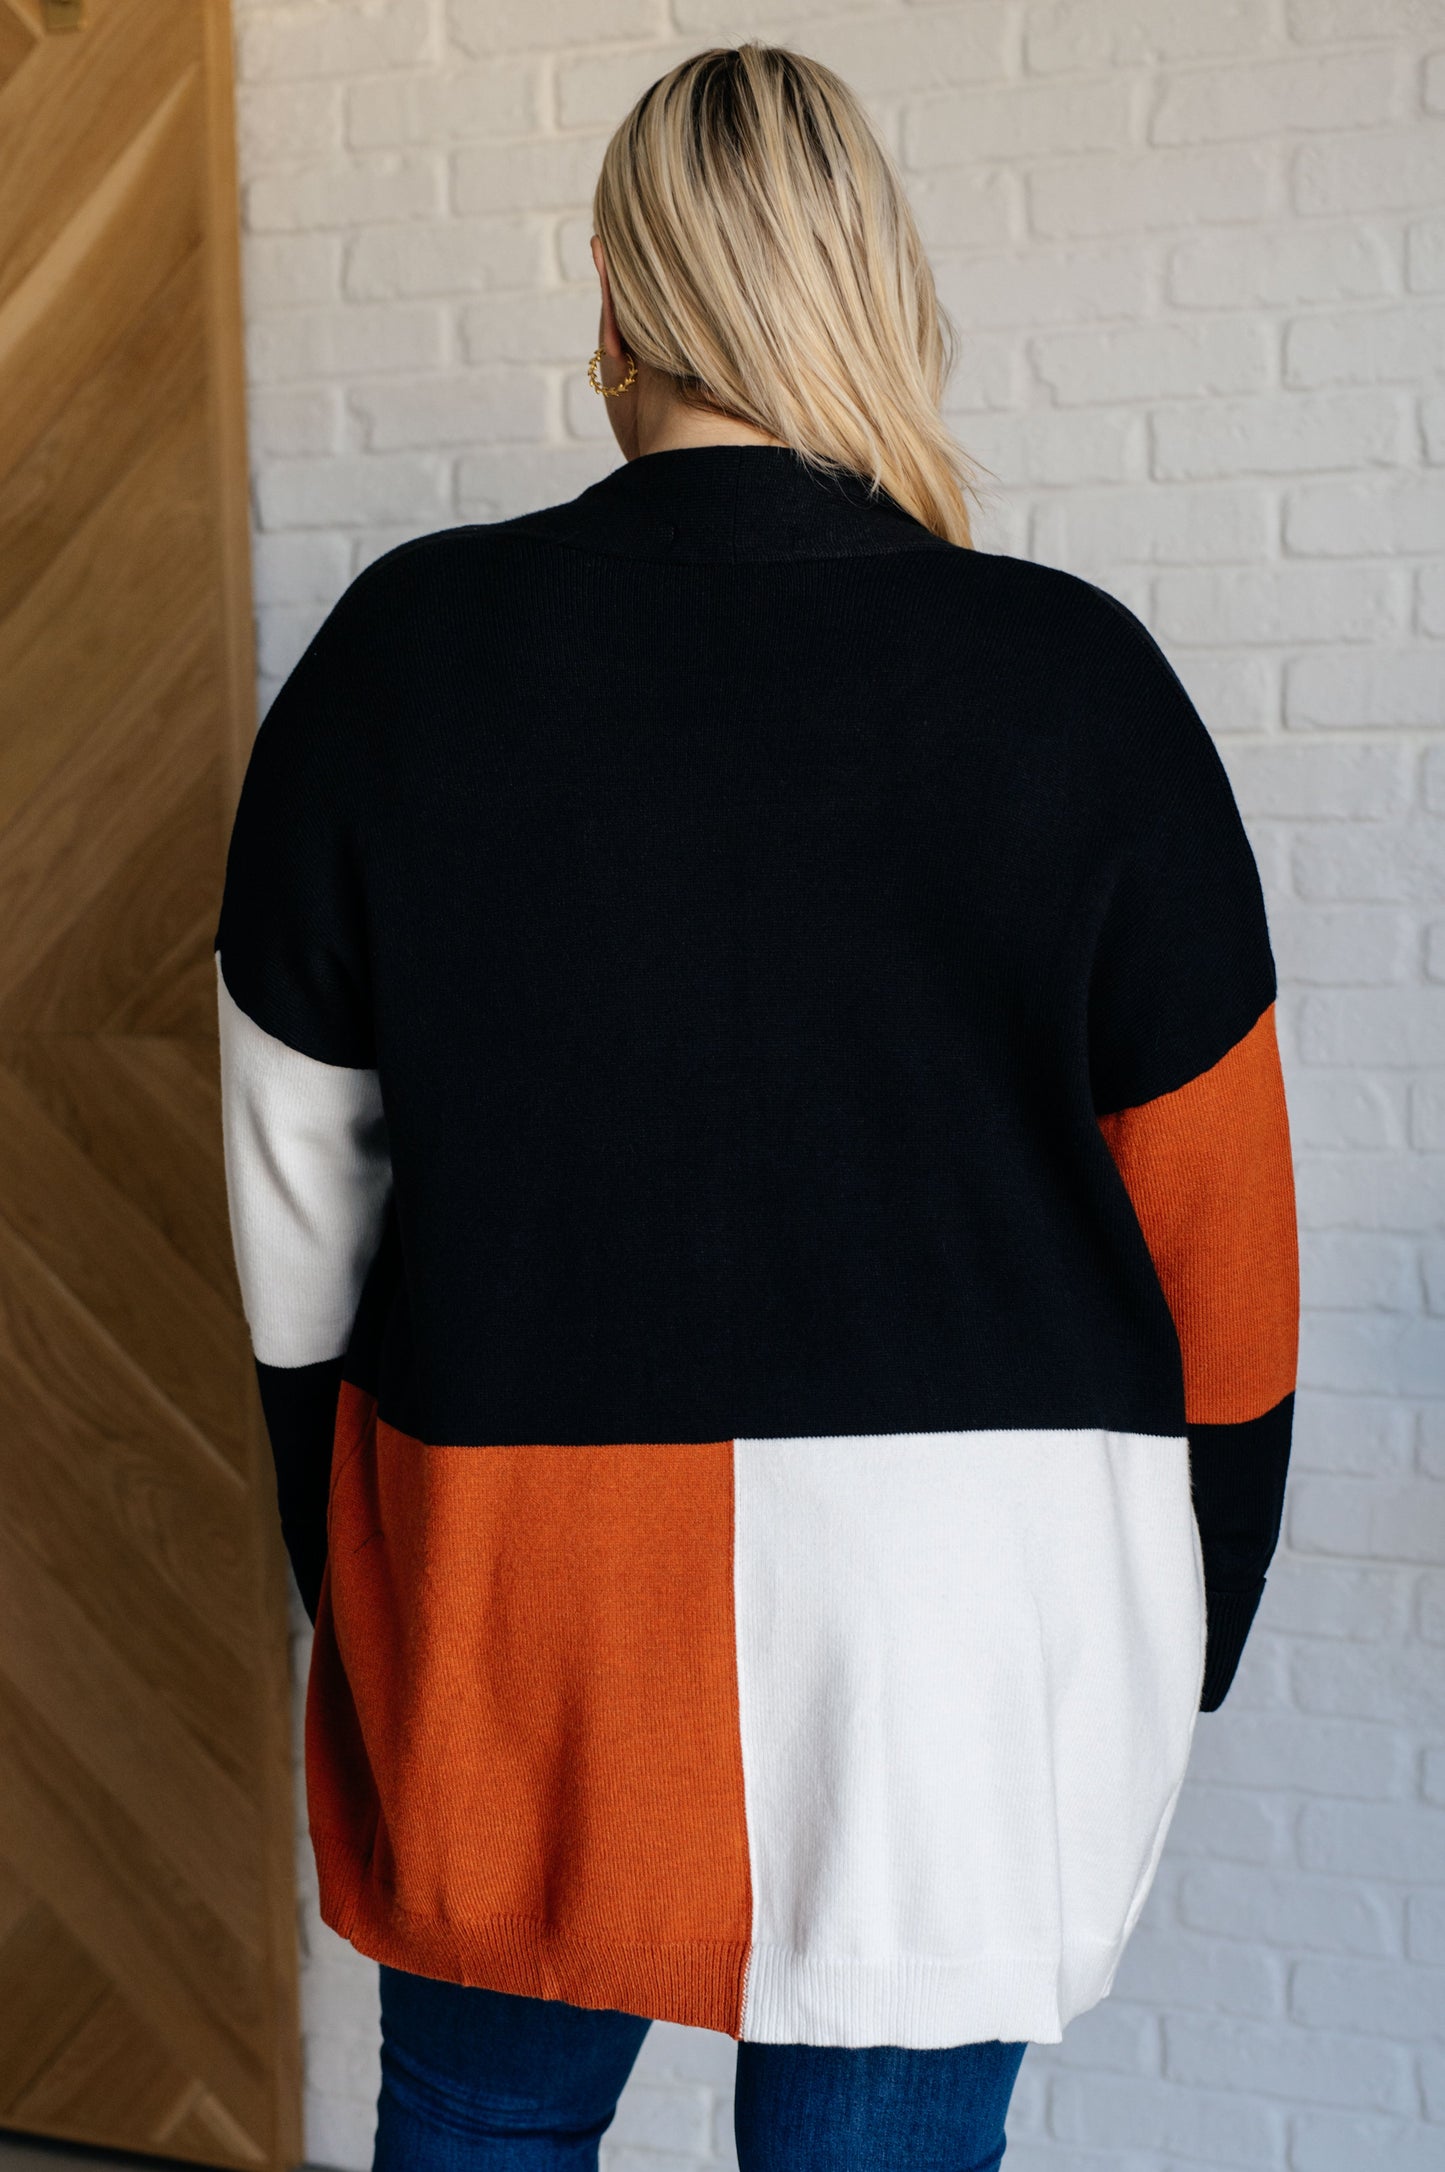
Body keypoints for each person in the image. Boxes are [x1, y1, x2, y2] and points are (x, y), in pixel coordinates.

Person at [215, 42, 1298, 2172]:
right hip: (963, 1629)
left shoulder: (405, 655)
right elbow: (1223, 1242)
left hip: (520, 1592)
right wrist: (1193, 1613)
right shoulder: (1075, 679)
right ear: (867, 282)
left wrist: (362, 1579)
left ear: (611, 292)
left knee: (480, 2129)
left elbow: (295, 1213)